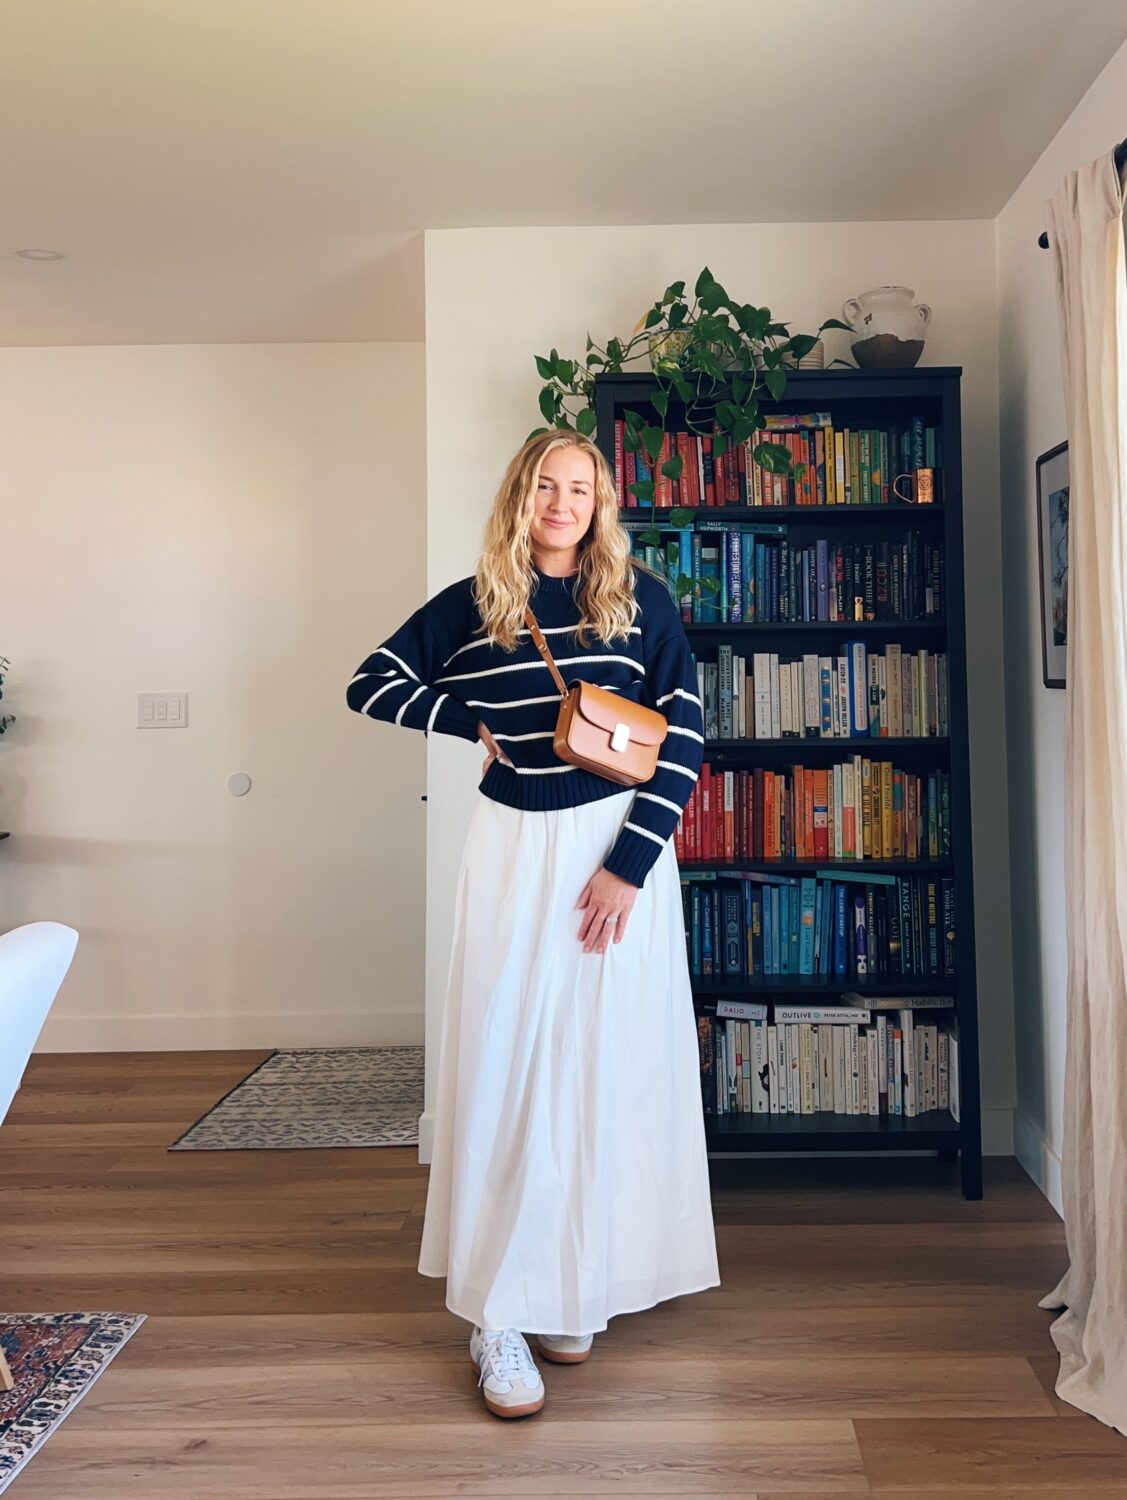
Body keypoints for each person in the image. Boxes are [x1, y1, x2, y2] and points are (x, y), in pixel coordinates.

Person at [346, 428, 720, 1419]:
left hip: (617, 855)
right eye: (547, 486)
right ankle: (496, 1315)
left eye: (580, 488)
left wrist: (627, 870)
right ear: (521, 495)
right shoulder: (473, 608)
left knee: (605, 1067)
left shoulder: (641, 601)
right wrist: (464, 720)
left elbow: (684, 732)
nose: (563, 503)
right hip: (513, 854)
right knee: (507, 1070)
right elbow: (369, 682)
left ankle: (572, 1283)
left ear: (600, 503)